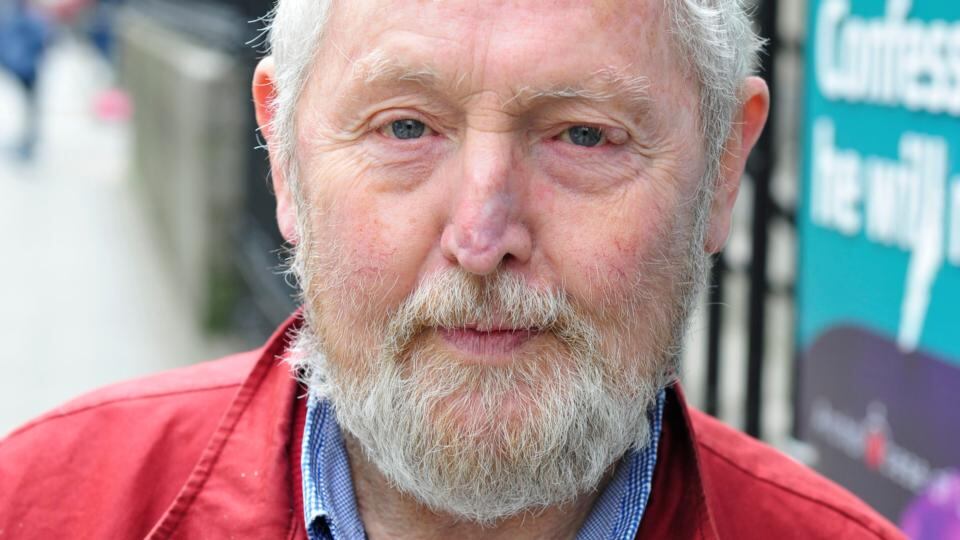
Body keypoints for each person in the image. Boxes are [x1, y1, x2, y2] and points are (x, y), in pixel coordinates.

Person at [0, 1, 904, 538]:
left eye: (583, 135)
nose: (483, 236)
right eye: (404, 127)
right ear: (280, 155)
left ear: (722, 171)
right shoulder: (44, 507)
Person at [0, 0, 51, 160]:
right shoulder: (23, 15)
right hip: (25, 67)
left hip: (26, 68)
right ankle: (27, 142)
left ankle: (28, 143)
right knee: (29, 107)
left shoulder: (25, 16)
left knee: (30, 107)